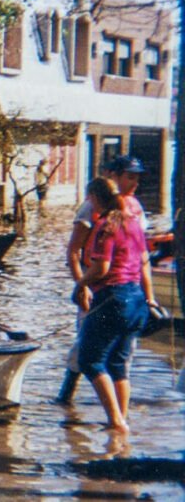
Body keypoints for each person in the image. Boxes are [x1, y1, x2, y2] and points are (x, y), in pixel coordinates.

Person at [59, 156, 149, 404]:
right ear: (115, 177)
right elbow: (74, 251)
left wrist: (148, 296)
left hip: (122, 289)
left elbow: (143, 258)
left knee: (113, 357)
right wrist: (82, 285)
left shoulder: (134, 209)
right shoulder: (92, 208)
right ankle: (67, 399)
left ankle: (117, 420)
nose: (135, 183)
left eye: (137, 178)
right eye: (130, 177)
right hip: (100, 288)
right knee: (87, 349)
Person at [73, 177, 157, 433]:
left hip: (112, 298)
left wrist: (81, 284)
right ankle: (122, 421)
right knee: (118, 364)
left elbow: (102, 268)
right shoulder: (133, 223)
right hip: (136, 300)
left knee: (90, 360)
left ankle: (116, 421)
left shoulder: (105, 226)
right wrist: (150, 297)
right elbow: (144, 263)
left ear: (95, 198)